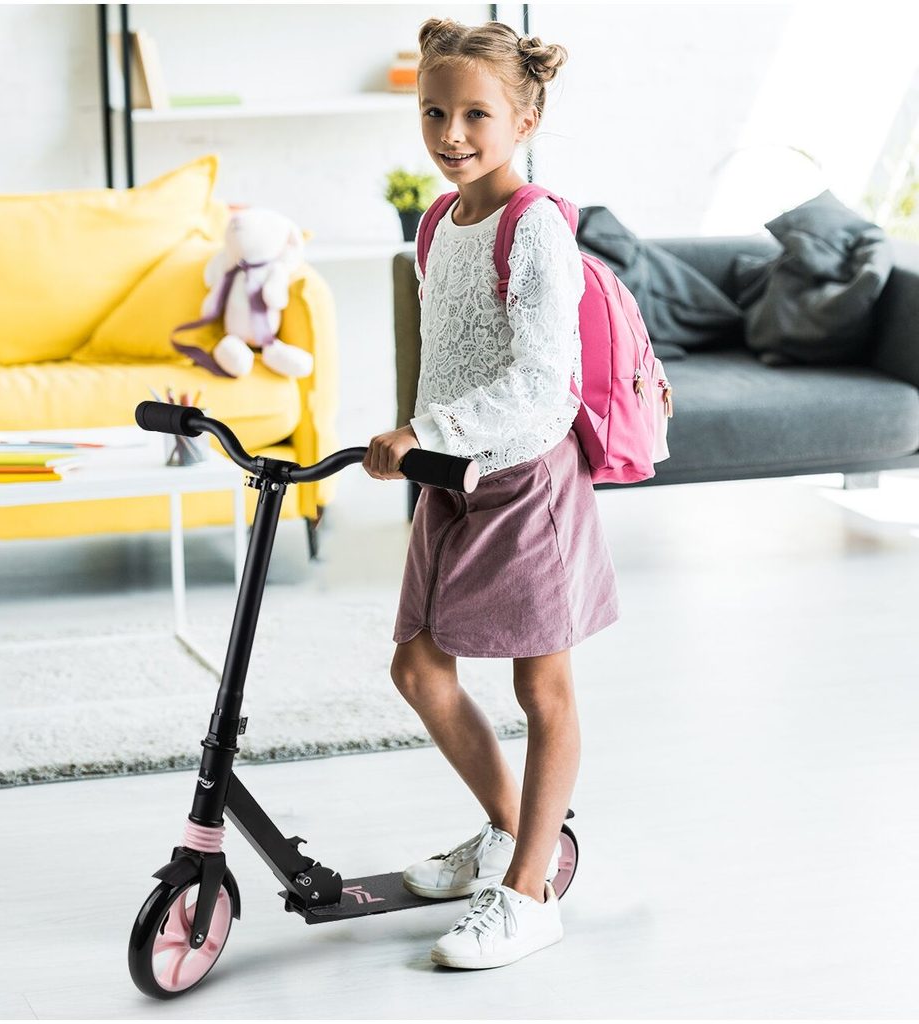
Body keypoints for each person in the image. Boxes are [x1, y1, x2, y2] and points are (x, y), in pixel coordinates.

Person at [363, 16, 621, 970]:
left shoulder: (536, 225)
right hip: (450, 480)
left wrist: (427, 432)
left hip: (525, 485)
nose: (452, 133)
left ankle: (528, 895)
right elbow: (451, 355)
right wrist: (417, 440)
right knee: (419, 670)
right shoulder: (439, 222)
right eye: (435, 113)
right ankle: (519, 840)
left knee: (540, 687)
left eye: (476, 114)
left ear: (526, 118)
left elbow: (543, 384)